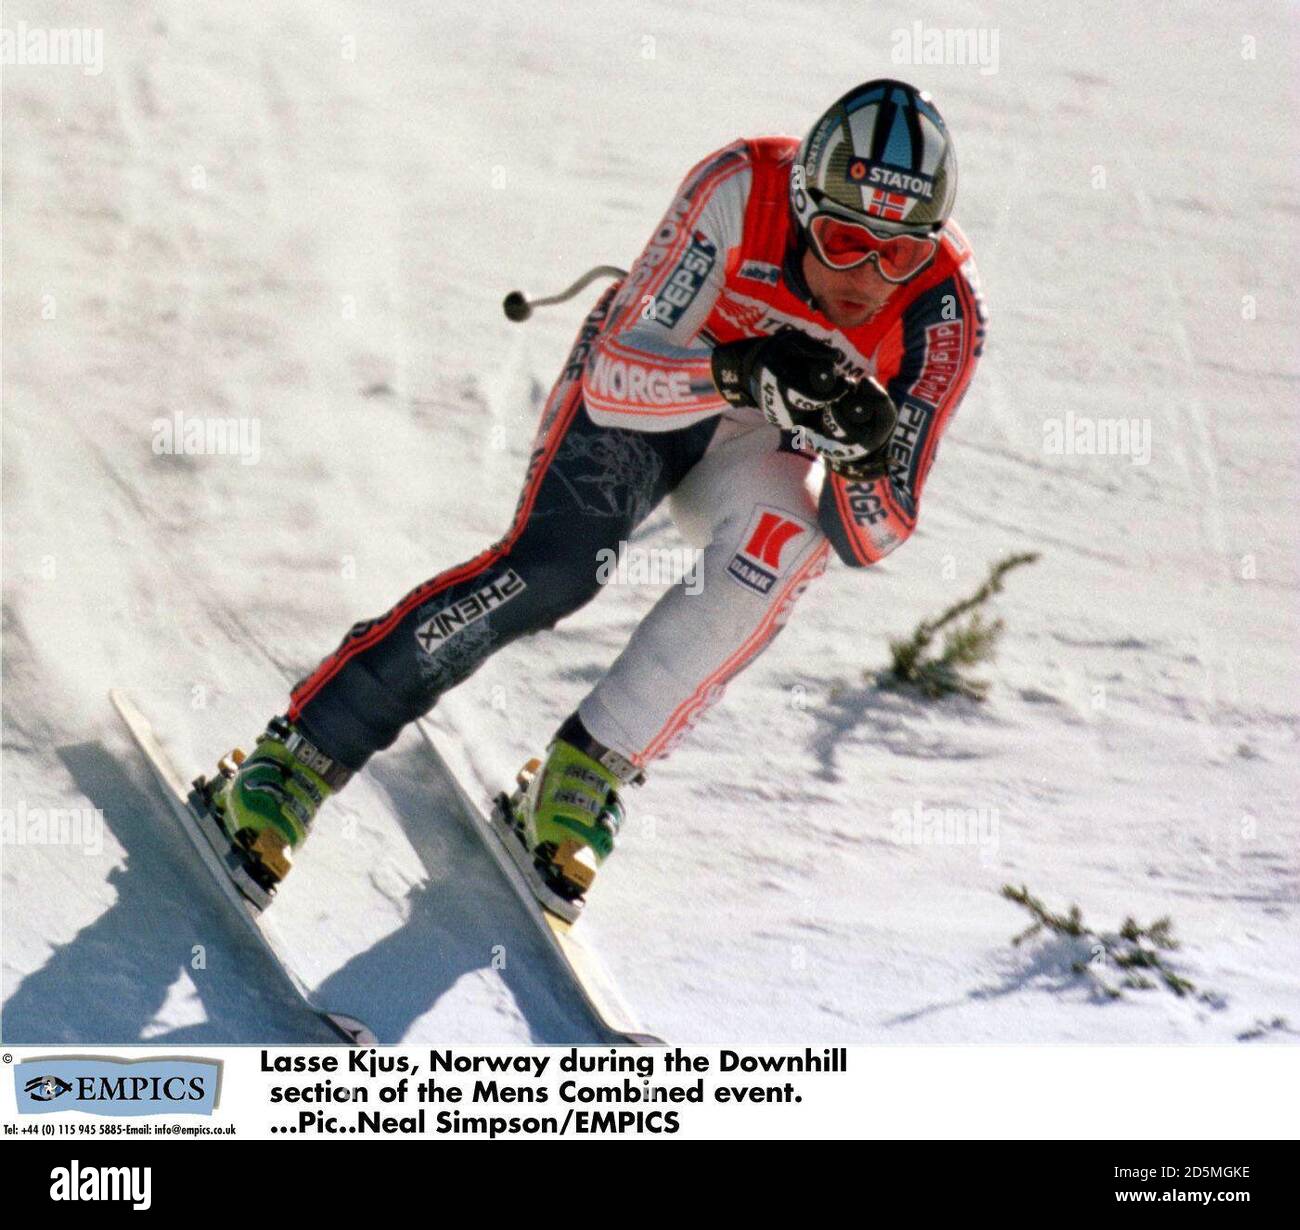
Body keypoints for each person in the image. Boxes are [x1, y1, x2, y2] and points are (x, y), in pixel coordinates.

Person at [211, 78, 987, 917]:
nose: (869, 277)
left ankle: (586, 771)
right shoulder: (741, 187)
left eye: (899, 253)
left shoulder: (946, 312)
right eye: (842, 238)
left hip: (758, 440)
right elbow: (618, 375)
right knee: (556, 571)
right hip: (661, 389)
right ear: (803, 206)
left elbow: (876, 535)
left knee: (792, 544)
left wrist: (865, 454)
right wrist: (741, 370)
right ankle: (300, 751)